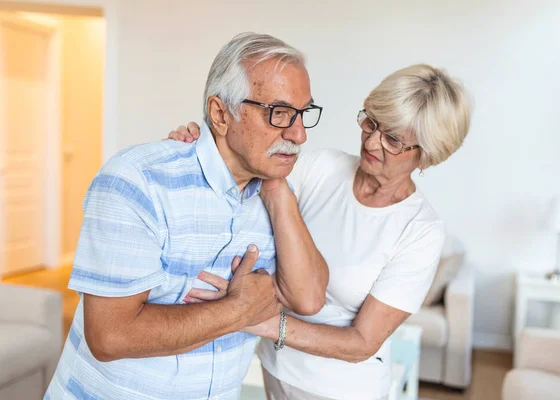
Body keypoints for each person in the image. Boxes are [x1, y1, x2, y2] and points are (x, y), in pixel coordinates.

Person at [44, 32, 329, 400]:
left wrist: (277, 188)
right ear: (220, 113)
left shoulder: (276, 192)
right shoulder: (138, 180)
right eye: (279, 113)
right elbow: (109, 336)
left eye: (304, 113)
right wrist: (239, 309)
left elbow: (308, 299)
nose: (299, 134)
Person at [168, 63, 472, 399]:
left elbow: (361, 343)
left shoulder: (421, 231)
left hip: (340, 390)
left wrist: (248, 317)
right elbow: (248, 189)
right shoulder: (323, 167)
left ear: (426, 156)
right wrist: (201, 148)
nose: (371, 142)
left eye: (393, 140)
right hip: (272, 369)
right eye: (371, 122)